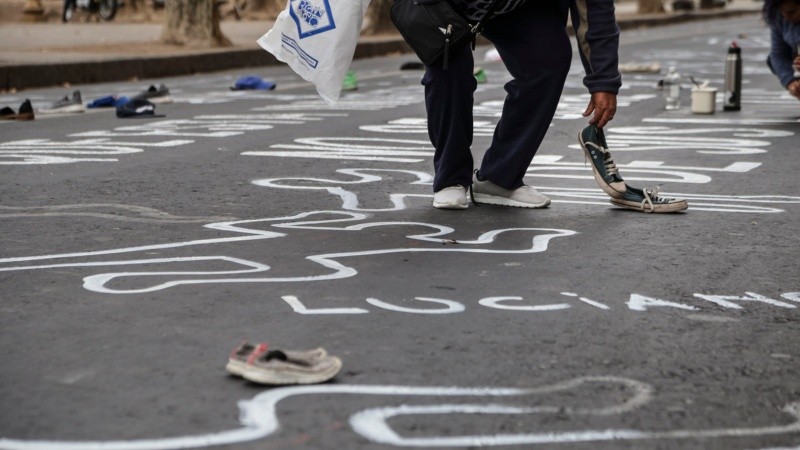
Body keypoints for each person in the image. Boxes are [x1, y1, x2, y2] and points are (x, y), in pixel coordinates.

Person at [426, 0, 687, 213]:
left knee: (548, 57)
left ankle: (498, 178)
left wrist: (603, 80)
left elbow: (594, 8)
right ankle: (450, 177)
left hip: (514, 5)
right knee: (447, 64)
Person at [763, 0, 800, 101]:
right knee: (771, 59)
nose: (787, 17)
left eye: (792, 12)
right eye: (782, 12)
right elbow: (778, 55)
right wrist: (790, 81)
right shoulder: (779, 19)